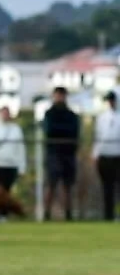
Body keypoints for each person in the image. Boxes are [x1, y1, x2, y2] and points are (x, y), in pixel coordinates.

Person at [42, 86, 80, 221]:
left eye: (62, 95)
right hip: (53, 153)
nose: (60, 98)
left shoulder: (71, 115)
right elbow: (50, 131)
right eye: (57, 95)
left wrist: (61, 131)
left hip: (68, 154)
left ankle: (68, 214)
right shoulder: (49, 114)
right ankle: (46, 214)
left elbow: (74, 132)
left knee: (67, 186)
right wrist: (64, 131)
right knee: (51, 184)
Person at [94, 90, 120, 222]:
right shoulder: (102, 118)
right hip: (105, 156)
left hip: (117, 156)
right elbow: (98, 137)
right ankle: (108, 215)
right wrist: (96, 154)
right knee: (107, 188)